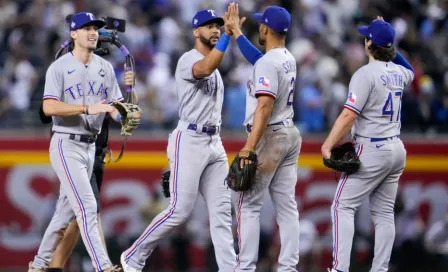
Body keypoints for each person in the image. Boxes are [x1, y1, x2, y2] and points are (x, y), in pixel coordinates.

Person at [120, 5, 237, 272]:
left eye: (218, 25)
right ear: (196, 31)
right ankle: (133, 256)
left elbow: (213, 66)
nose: (216, 30)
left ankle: (231, 269)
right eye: (209, 26)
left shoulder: (218, 67)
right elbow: (205, 68)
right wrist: (229, 37)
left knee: (221, 213)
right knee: (179, 210)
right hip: (191, 138)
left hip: (214, 142)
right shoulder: (188, 59)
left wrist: (233, 35)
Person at [28, 12, 134, 272]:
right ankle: (103, 267)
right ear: (73, 34)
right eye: (86, 28)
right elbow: (49, 106)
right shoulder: (59, 67)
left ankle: (37, 266)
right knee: (87, 206)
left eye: (95, 28)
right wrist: (87, 108)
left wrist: (126, 111)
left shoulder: (106, 67)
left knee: (63, 215)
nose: (93, 32)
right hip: (66, 143)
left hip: (91, 146)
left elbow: (114, 108)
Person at [321, 16, 415, 272]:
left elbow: (349, 115)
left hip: (372, 148)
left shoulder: (365, 74)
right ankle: (380, 269)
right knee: (384, 213)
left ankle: (340, 269)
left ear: (368, 44)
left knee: (342, 205)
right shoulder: (399, 72)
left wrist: (328, 144)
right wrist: (390, 43)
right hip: (396, 148)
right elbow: (411, 70)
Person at [225, 4, 302, 271]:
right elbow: (259, 59)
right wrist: (236, 33)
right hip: (289, 133)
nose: (259, 26)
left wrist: (249, 147)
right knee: (287, 206)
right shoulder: (286, 57)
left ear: (266, 28)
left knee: (248, 205)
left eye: (261, 23)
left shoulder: (268, 63)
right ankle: (288, 267)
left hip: (269, 136)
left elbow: (265, 107)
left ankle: (245, 267)